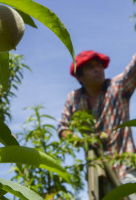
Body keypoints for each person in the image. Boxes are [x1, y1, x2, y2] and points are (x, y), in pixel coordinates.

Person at [58, 50, 136, 199]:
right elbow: (62, 127)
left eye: (99, 65)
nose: (98, 69)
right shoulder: (74, 99)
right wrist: (80, 141)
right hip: (99, 175)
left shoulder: (117, 87)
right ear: (80, 76)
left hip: (127, 168)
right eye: (91, 67)